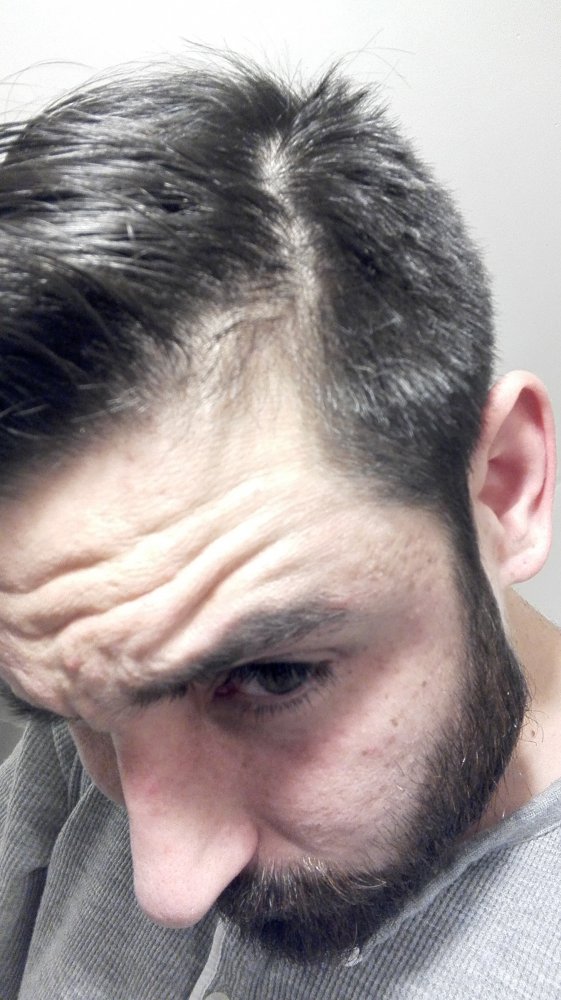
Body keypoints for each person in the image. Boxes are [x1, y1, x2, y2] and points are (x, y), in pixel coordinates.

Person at [0, 54, 560, 1000]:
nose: (167, 888)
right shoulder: (104, 676)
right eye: (73, 717)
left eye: (273, 676)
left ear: (505, 488)